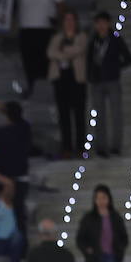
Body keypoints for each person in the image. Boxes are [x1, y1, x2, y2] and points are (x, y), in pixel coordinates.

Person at [87, 11, 131, 158]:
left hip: (112, 81)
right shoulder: (92, 41)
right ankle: (101, 146)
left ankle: (116, 146)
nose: (101, 26)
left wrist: (115, 67)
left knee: (116, 114)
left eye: (103, 22)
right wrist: (90, 76)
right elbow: (88, 60)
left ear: (108, 23)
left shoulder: (115, 39)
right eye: (98, 23)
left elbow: (128, 58)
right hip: (97, 82)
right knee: (99, 115)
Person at [46, 10, 87, 158]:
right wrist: (65, 53)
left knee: (79, 114)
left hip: (77, 79)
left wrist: (62, 51)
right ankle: (67, 147)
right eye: (66, 20)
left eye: (72, 19)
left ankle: (81, 147)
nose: (69, 22)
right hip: (60, 78)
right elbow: (50, 53)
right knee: (63, 114)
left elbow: (79, 49)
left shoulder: (81, 36)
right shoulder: (57, 37)